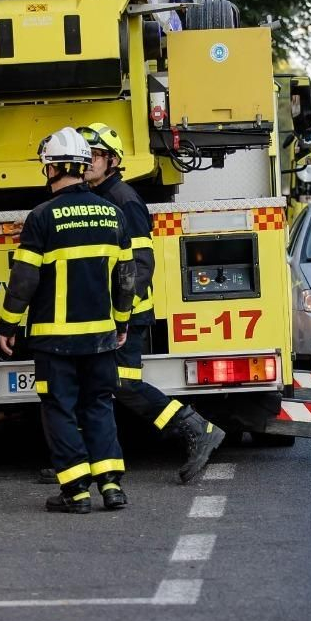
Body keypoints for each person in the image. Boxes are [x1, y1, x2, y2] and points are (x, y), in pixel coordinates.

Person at [0, 128, 136, 514]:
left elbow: (23, 280)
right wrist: (121, 322)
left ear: (53, 168)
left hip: (53, 340)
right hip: (100, 337)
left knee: (59, 408)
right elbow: (126, 279)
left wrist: (7, 326)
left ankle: (75, 492)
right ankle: (111, 486)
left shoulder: (42, 217)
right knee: (98, 405)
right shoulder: (113, 213)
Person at [80, 123, 226, 483]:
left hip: (128, 313)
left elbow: (142, 265)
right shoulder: (97, 197)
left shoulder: (124, 200)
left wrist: (122, 313)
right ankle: (84, 459)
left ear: (112, 161)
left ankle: (197, 427)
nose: (88, 163)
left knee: (123, 384)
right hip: (107, 311)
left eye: (95, 156)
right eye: (85, 156)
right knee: (95, 382)